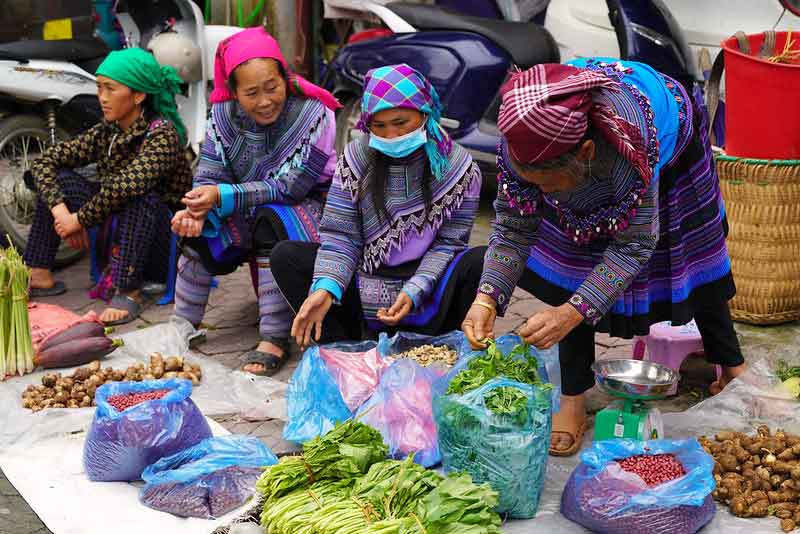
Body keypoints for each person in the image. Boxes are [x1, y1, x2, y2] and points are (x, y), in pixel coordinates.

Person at [462, 59, 747, 456]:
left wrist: (573, 312)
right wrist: (486, 298)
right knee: (571, 270)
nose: (546, 195)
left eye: (549, 185)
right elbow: (513, 227)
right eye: (534, 183)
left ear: (587, 151)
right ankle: (574, 399)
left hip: (666, 131)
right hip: (583, 148)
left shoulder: (632, 148)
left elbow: (634, 245)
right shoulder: (522, 144)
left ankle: (733, 366)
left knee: (695, 252)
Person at [271, 64, 484, 347]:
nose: (391, 136)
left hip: (430, 283)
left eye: (400, 122)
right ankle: (344, 348)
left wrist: (415, 289)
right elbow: (341, 235)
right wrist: (325, 288)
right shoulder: (356, 158)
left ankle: (440, 341)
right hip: (365, 276)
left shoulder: (459, 168)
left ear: (424, 115)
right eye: (379, 126)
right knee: (286, 256)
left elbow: (449, 243)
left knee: (479, 261)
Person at [171, 27, 340, 376]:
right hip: (243, 205)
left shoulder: (315, 113)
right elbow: (211, 172)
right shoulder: (221, 116)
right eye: (251, 93)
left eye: (272, 87)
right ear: (233, 92)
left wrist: (222, 196)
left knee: (269, 220)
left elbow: (293, 186)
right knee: (198, 230)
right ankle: (180, 329)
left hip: (310, 208)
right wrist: (196, 209)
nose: (264, 101)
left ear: (285, 76)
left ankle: (274, 337)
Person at [24, 48, 192, 325]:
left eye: (110, 89)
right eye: (99, 87)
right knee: (60, 179)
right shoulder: (108, 131)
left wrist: (79, 219)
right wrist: (62, 214)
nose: (101, 97)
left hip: (158, 242)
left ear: (138, 95)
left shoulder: (162, 134)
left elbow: (127, 186)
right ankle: (39, 270)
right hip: (117, 232)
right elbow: (44, 162)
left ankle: (129, 290)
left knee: (137, 194)